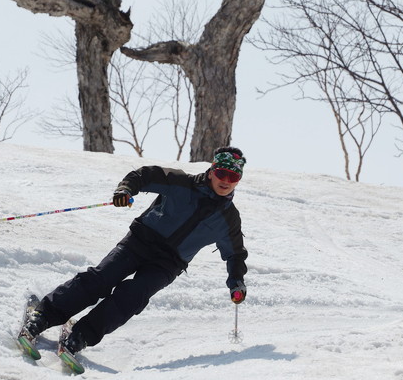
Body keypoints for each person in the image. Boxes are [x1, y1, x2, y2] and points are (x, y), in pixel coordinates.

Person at [21, 146, 249, 355]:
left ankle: (81, 336)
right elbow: (144, 176)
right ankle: (43, 316)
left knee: (132, 298)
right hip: (141, 241)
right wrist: (126, 189)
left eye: (234, 176)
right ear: (211, 171)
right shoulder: (181, 182)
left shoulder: (229, 218)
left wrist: (236, 282)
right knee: (101, 278)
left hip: (168, 264)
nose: (226, 180)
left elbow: (235, 254)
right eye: (222, 173)